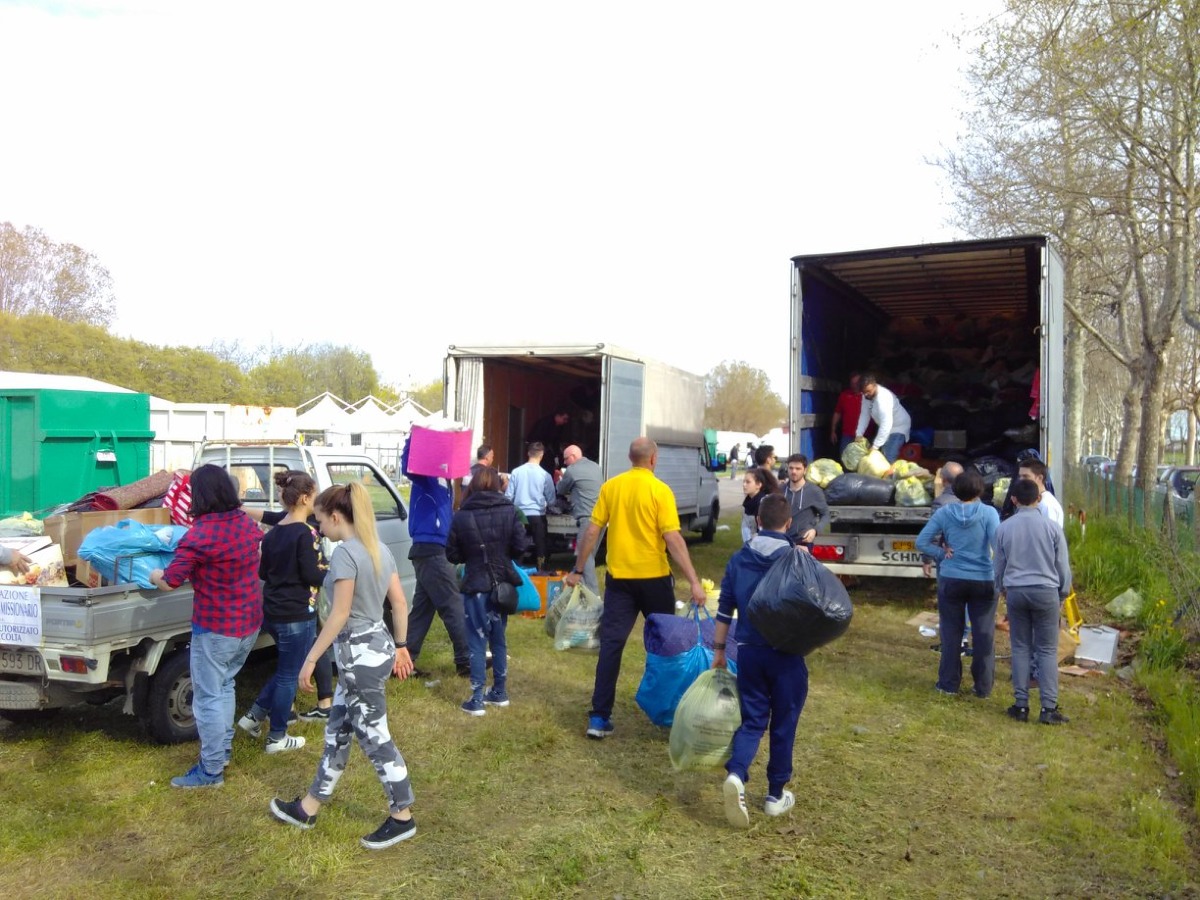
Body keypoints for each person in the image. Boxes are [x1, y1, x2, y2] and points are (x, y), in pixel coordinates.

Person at [269, 482, 419, 850]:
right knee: (337, 731)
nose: (319, 529)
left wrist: (311, 658)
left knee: (374, 736)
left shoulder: (345, 554)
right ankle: (308, 807)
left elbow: (338, 615)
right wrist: (400, 645)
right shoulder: (380, 549)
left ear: (336, 517)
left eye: (321, 521)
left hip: (357, 657)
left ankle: (403, 816)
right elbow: (399, 604)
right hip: (376, 647)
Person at [564, 437, 708, 740]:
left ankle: (599, 717)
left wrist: (578, 569)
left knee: (612, 646)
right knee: (667, 648)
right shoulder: (660, 491)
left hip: (620, 582)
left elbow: (593, 529)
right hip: (654, 580)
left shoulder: (612, 487)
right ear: (653, 459)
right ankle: (669, 714)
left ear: (631, 458)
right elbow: (673, 539)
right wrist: (693, 581)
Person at [150, 464, 264, 788]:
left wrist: (151, 574)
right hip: (249, 624)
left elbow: (170, 581)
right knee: (225, 687)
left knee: (208, 697)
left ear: (197, 495)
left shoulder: (199, 535)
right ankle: (221, 751)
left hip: (216, 629)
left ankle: (211, 771)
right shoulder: (245, 523)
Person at [712, 494, 807, 828]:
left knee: (753, 720)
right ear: (789, 524)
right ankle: (775, 794)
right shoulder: (795, 559)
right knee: (784, 722)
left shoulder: (739, 558)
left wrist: (720, 649)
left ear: (757, 522)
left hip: (749, 651)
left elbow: (725, 608)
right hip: (785, 654)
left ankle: (736, 774)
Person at [237, 471, 325, 753]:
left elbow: (263, 571)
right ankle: (277, 736)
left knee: (287, 669)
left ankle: (254, 716)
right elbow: (312, 573)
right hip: (297, 613)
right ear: (304, 498)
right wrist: (332, 571)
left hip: (273, 611)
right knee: (290, 674)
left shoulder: (273, 533)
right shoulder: (306, 533)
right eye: (314, 494)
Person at [446, 467, 530, 716]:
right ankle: (500, 691)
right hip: (501, 585)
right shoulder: (509, 510)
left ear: (472, 486)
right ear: (497, 484)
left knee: (476, 641)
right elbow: (521, 547)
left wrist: (470, 555)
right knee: (498, 638)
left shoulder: (461, 515)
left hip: (475, 585)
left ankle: (476, 698)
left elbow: (452, 554)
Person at [995, 478, 1073, 726]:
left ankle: (1020, 706)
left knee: (1020, 648)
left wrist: (1001, 589)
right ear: (1039, 498)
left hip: (1017, 592)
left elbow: (999, 565)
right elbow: (1062, 565)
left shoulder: (1004, 528)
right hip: (1046, 591)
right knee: (1047, 650)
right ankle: (1048, 708)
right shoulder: (1052, 528)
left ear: (1014, 500)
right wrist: (1062, 592)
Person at [915, 469, 999, 698]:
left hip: (952, 578)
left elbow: (921, 541)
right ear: (980, 489)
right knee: (983, 634)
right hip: (983, 578)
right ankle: (983, 686)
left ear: (953, 489)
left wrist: (941, 554)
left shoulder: (944, 512)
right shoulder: (989, 513)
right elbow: (998, 546)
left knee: (951, 633)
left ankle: (948, 684)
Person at [400, 435, 471, 679]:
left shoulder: (447, 481)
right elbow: (407, 465)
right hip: (429, 548)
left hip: (433, 548)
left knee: (423, 608)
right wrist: (414, 437)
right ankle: (466, 660)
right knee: (452, 604)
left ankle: (404, 660)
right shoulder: (425, 475)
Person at [556, 444, 603, 594]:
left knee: (585, 556)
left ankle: (593, 598)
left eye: (565, 459)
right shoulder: (595, 466)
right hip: (601, 518)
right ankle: (581, 593)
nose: (564, 463)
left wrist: (560, 479)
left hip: (587, 520)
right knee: (588, 558)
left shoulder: (572, 470)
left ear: (573, 457)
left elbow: (561, 490)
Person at [505, 442, 555, 569]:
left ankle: (516, 568)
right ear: (542, 455)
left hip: (519, 514)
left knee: (518, 543)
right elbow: (551, 500)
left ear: (528, 453)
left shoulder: (516, 472)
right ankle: (541, 567)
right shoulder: (545, 475)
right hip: (537, 514)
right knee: (540, 544)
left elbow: (509, 496)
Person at [855, 374, 912, 463]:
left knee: (888, 456)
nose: (866, 394)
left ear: (874, 385)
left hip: (898, 426)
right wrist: (859, 434)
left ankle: (889, 476)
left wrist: (875, 446)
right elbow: (864, 415)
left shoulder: (883, 397)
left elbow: (886, 423)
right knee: (882, 455)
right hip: (886, 426)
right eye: (864, 392)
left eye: (868, 391)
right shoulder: (866, 396)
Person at [921, 461, 964, 578]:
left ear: (943, 479)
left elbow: (934, 534)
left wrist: (927, 560)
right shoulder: (976, 501)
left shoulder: (941, 502)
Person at [781, 454, 829, 551]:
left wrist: (815, 530)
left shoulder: (814, 491)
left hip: (803, 543)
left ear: (805, 470)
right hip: (781, 543)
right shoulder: (780, 490)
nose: (794, 472)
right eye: (791, 468)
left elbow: (826, 514)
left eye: (798, 468)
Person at [1017, 459, 1063, 527]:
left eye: (1025, 476)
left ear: (1040, 478)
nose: (1021, 480)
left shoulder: (1046, 505)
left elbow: (1048, 534)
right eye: (1020, 476)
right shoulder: (1036, 501)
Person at [527, 410, 571, 474]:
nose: (565, 421)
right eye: (564, 419)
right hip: (538, 448)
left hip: (548, 450)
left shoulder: (560, 427)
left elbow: (556, 442)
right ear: (558, 416)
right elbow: (536, 438)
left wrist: (557, 454)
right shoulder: (545, 423)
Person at [829, 373, 863, 456]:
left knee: (864, 463)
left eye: (857, 383)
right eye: (852, 383)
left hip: (865, 436)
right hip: (847, 435)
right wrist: (833, 431)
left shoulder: (868, 396)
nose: (854, 386)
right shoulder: (844, 395)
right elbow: (837, 413)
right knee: (845, 459)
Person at [740, 468, 770, 544]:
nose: (744, 485)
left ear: (759, 485)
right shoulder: (748, 502)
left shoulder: (763, 503)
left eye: (748, 482)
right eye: (744, 481)